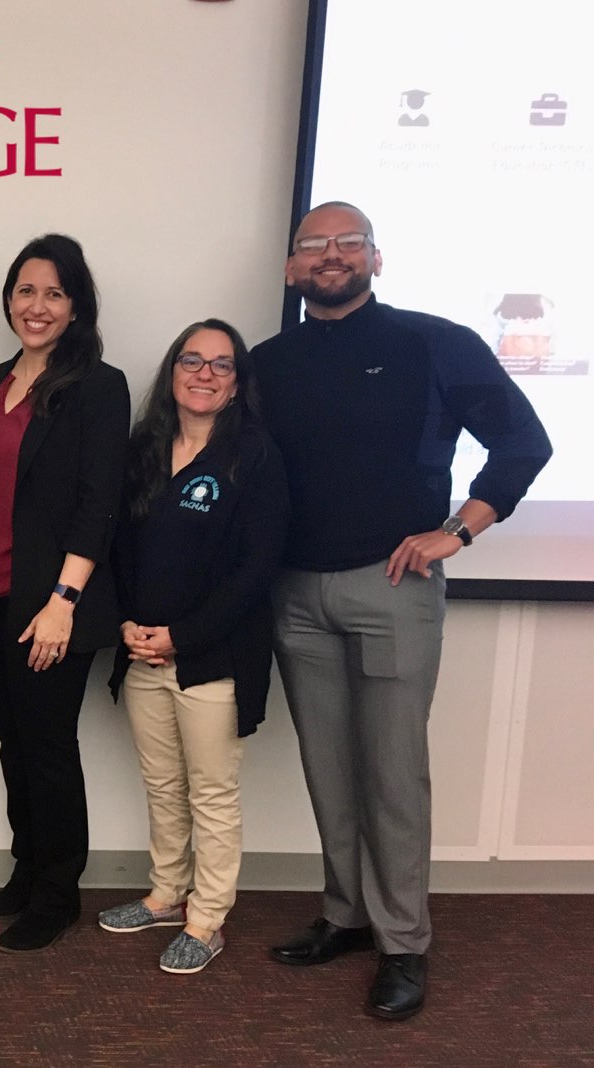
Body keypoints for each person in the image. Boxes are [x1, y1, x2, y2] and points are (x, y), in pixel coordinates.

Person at [254, 201, 551, 1019]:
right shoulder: (267, 363)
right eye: (314, 246)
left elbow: (525, 443)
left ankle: (404, 943)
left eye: (350, 243)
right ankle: (346, 915)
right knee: (328, 768)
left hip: (390, 590)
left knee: (391, 774)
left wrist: (459, 529)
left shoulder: (434, 342)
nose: (332, 256)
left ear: (377, 260)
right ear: (291, 269)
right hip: (296, 595)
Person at [97, 319, 288, 974]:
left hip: (212, 658)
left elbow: (256, 570)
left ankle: (207, 920)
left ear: (238, 384)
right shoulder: (142, 452)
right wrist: (124, 625)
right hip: (140, 650)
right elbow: (114, 549)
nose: (204, 374)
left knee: (211, 791)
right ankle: (165, 894)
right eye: (192, 360)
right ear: (172, 371)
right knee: (161, 783)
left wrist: (182, 636)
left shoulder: (255, 457)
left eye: (221, 364)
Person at [0, 234, 129, 953]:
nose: (38, 306)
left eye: (54, 293)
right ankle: (28, 869)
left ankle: (58, 894)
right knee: (14, 741)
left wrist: (64, 599)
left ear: (76, 305)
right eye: (26, 291)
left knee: (49, 745)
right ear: (9, 299)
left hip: (52, 605)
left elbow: (100, 502)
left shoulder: (98, 384)